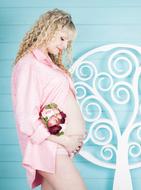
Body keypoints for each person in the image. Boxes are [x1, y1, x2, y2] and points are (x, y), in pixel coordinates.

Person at [11, 9, 88, 190]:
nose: (65, 45)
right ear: (48, 30)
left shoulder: (49, 64)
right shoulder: (29, 64)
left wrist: (72, 138)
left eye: (68, 41)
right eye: (62, 38)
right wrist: (65, 141)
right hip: (49, 149)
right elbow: (26, 119)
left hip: (59, 148)